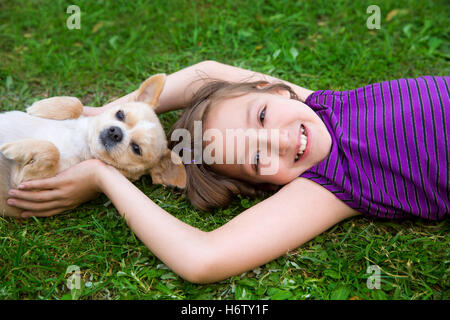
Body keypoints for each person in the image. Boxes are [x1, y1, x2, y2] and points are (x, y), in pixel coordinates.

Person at [6, 61, 449, 284]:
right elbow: (203, 258)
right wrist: (106, 176)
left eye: (260, 117)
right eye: (258, 161)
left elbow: (206, 72)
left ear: (272, 89)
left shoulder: (317, 104)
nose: (279, 141)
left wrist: (101, 118)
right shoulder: (329, 183)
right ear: (266, 187)